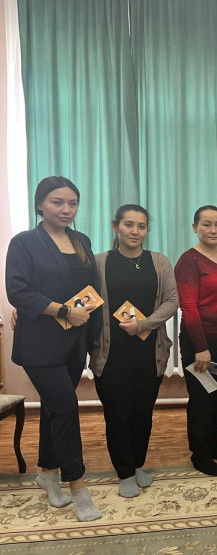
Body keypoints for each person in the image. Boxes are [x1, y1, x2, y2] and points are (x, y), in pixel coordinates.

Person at [5, 176, 102, 521]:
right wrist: (62, 311)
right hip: (40, 344)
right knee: (66, 408)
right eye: (57, 202)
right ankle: (77, 486)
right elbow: (18, 291)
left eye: (72, 203)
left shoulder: (81, 240)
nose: (66, 209)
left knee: (53, 409)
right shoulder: (24, 242)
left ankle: (47, 472)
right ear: (40, 205)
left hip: (75, 342)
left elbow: (88, 288)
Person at [88, 204, 178, 497]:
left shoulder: (159, 261)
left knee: (142, 414)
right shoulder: (98, 262)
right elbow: (78, 296)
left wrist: (143, 324)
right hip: (110, 354)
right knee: (118, 416)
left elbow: (171, 300)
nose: (135, 231)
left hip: (149, 353)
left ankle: (137, 463)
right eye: (128, 224)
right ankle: (124, 472)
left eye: (141, 226)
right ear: (115, 226)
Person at [174, 206, 217, 476]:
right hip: (200, 344)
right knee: (203, 400)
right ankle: (200, 455)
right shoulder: (188, 260)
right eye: (206, 224)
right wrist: (201, 348)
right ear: (195, 228)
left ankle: (214, 446)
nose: (213, 230)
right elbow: (189, 307)